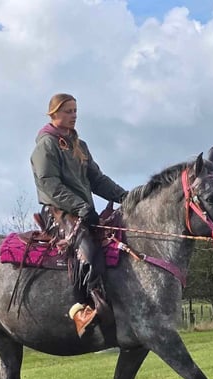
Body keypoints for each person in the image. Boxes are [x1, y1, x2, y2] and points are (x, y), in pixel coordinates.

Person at [30, 93, 127, 336]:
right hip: (59, 211)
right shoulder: (46, 145)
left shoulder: (78, 145)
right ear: (53, 115)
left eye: (75, 111)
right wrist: (80, 207)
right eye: (68, 111)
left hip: (83, 210)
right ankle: (81, 309)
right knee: (88, 249)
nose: (74, 115)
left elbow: (97, 179)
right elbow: (49, 185)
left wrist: (125, 196)